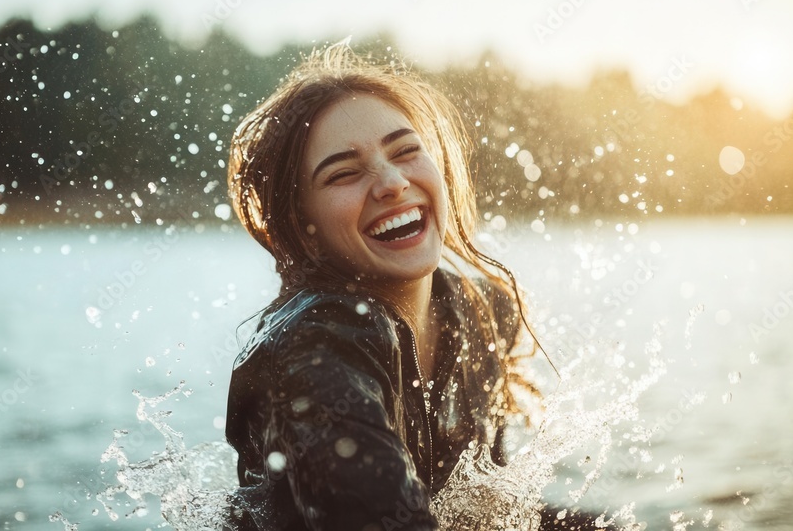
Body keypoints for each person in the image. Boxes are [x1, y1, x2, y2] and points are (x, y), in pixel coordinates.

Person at [223, 41, 557, 530]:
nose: (392, 182)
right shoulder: (312, 350)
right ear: (300, 224)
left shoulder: (485, 310)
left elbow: (494, 510)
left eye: (405, 151)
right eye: (344, 173)